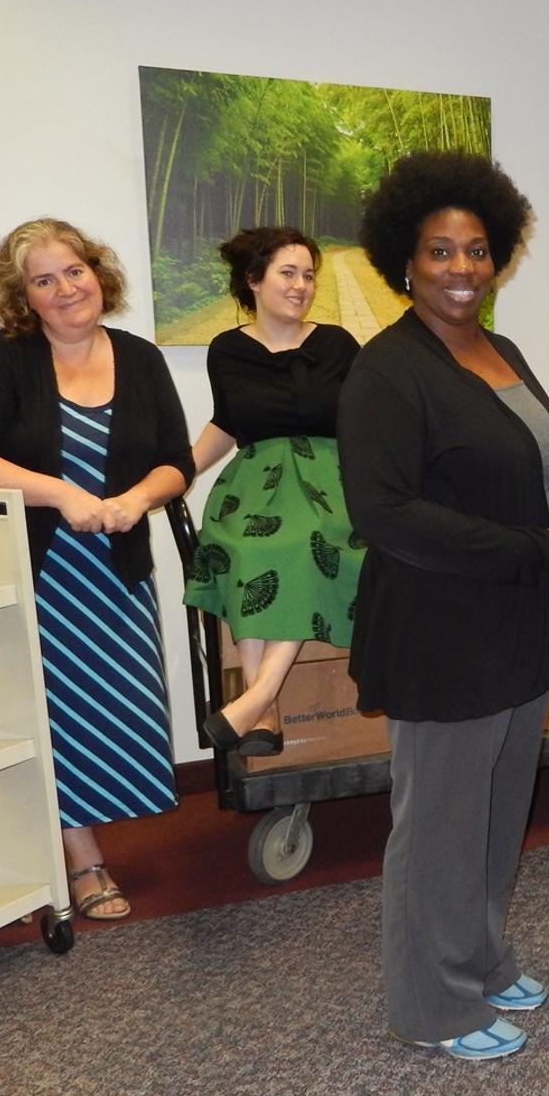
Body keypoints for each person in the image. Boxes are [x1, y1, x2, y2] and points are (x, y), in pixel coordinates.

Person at [339, 151, 549, 1061]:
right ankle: (429, 1001)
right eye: (440, 252)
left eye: (476, 251)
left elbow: (539, 471)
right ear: (403, 262)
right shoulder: (387, 369)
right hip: (441, 631)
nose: (460, 269)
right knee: (439, 824)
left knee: (494, 812)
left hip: (520, 622)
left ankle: (479, 960)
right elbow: (388, 514)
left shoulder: (502, 350)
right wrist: (538, 550)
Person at [0, 218, 194, 921]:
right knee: (55, 715)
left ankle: (48, 851)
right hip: (40, 574)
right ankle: (84, 863)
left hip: (116, 575)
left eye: (72, 271)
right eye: (42, 280)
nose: (63, 289)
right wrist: (61, 493)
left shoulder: (139, 357)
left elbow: (177, 459)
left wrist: (138, 497)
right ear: (25, 297)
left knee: (113, 711)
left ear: (96, 273)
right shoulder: (6, 358)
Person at [183, 227, 363, 755]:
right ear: (254, 280)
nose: (301, 285)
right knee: (242, 547)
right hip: (255, 482)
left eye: (309, 275)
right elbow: (228, 424)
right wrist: (177, 472)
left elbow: (366, 422)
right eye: (288, 273)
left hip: (329, 482)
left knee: (304, 541)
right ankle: (268, 710)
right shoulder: (227, 350)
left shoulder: (336, 343)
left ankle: (256, 696)